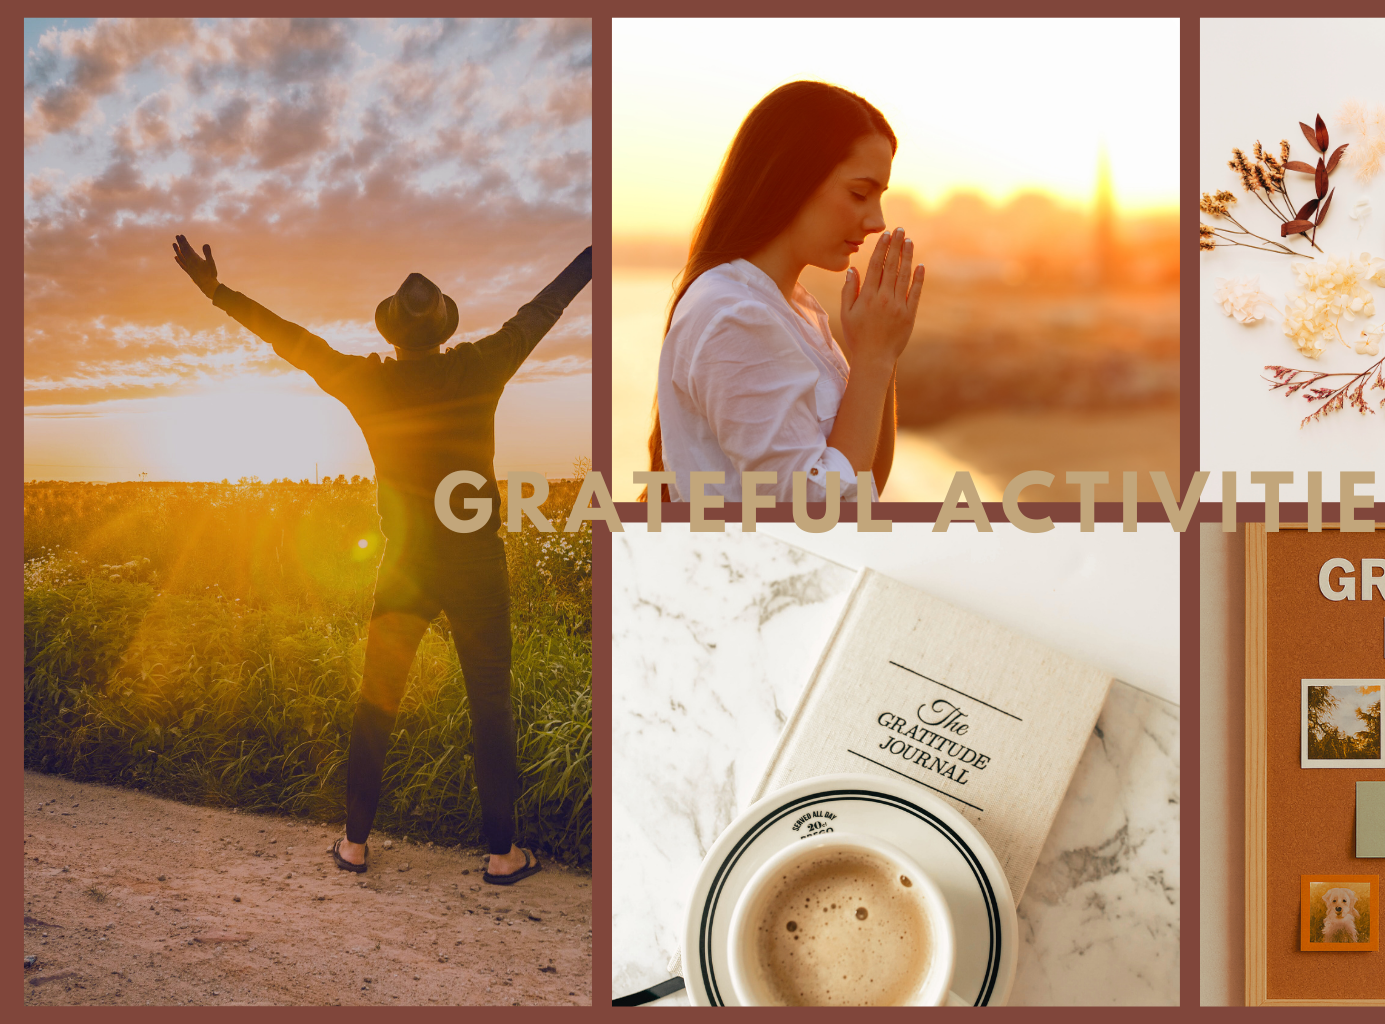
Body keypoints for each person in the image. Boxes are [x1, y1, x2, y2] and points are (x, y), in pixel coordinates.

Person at [172, 235, 592, 884]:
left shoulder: (368, 383)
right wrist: (592, 257)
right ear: (443, 327)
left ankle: (354, 845)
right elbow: (542, 310)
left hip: (406, 565)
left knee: (378, 704)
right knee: (491, 707)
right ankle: (503, 854)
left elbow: (288, 338)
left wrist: (216, 292)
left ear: (394, 335)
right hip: (476, 561)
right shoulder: (481, 365)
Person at [642, 80, 924, 504]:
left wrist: (881, 355)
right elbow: (814, 510)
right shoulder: (733, 315)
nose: (876, 220)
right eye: (859, 193)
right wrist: (872, 357)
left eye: (878, 196)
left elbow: (863, 486)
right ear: (790, 180)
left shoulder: (795, 308)